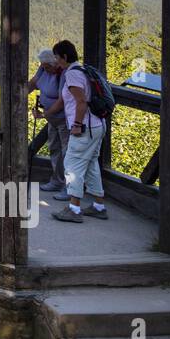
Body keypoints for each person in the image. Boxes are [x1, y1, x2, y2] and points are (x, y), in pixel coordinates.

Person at [42, 40, 108, 223]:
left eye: (56, 57)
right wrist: (46, 114)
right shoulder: (83, 70)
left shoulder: (71, 75)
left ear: (64, 56)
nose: (55, 61)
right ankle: (98, 206)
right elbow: (67, 101)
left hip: (85, 127)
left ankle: (74, 209)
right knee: (91, 165)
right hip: (97, 125)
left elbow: (81, 102)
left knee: (72, 165)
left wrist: (77, 125)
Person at [29, 49, 68, 192]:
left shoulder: (63, 73)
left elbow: (62, 101)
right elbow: (33, 83)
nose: (44, 69)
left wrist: (44, 114)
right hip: (52, 119)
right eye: (43, 66)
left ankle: (68, 186)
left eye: (47, 67)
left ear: (56, 63)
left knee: (67, 152)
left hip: (64, 119)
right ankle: (57, 181)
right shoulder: (44, 68)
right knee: (54, 149)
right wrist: (19, 94)